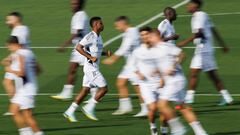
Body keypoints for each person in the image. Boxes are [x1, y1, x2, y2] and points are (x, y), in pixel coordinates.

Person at [149, 30, 208, 135]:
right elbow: (163, 65)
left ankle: (178, 129)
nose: (149, 39)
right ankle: (201, 132)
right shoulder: (155, 50)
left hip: (175, 81)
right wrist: (159, 74)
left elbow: (182, 54)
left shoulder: (166, 46)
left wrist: (174, 65)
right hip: (174, 81)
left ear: (157, 36)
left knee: (162, 104)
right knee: (183, 108)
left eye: (151, 37)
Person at [177, 0, 233, 105]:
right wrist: (222, 45)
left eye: (189, 4)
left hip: (203, 51)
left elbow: (199, 33)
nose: (187, 6)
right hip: (204, 49)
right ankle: (227, 98)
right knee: (206, 74)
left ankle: (189, 99)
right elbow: (213, 30)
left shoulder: (198, 16)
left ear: (195, 5)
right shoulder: (203, 15)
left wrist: (183, 43)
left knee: (197, 73)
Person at [64, 17, 109, 122]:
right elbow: (78, 47)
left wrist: (104, 53)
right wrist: (90, 57)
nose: (103, 25)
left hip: (92, 68)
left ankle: (69, 111)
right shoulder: (90, 36)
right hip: (90, 68)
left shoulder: (99, 37)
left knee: (85, 91)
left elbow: (95, 52)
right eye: (101, 23)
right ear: (96, 24)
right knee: (104, 88)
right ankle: (89, 108)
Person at [51, 0, 98, 101]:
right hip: (78, 47)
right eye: (72, 3)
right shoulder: (77, 15)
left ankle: (95, 94)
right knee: (72, 68)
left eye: (75, 4)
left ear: (80, 5)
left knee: (87, 71)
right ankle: (67, 92)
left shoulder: (80, 15)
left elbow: (77, 32)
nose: (72, 5)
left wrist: (65, 44)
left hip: (83, 47)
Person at [102, 16, 148, 117]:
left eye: (117, 26)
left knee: (138, 87)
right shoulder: (130, 32)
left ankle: (146, 109)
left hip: (136, 64)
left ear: (123, 24)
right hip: (129, 64)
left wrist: (112, 59)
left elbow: (124, 48)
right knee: (120, 83)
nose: (117, 28)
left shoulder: (131, 33)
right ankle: (125, 107)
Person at [132, 27, 168, 135]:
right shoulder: (137, 51)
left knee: (164, 112)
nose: (144, 37)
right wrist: (139, 74)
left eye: (146, 34)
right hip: (146, 85)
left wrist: (162, 78)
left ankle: (164, 130)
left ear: (150, 35)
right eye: (142, 35)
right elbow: (133, 66)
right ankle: (153, 127)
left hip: (160, 83)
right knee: (152, 108)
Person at [5, 36, 44, 135]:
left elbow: (21, 73)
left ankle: (37, 133)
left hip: (26, 89)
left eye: (9, 47)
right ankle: (26, 133)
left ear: (13, 45)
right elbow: (39, 70)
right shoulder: (29, 52)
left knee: (28, 116)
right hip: (27, 88)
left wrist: (10, 70)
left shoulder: (19, 55)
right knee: (14, 110)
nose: (9, 49)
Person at [2, 11, 30, 116]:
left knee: (11, 83)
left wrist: (9, 59)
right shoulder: (18, 29)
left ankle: (17, 107)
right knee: (8, 82)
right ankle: (17, 106)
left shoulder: (21, 30)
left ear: (16, 19)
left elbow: (20, 46)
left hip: (19, 60)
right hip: (17, 59)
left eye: (9, 19)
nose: (7, 22)